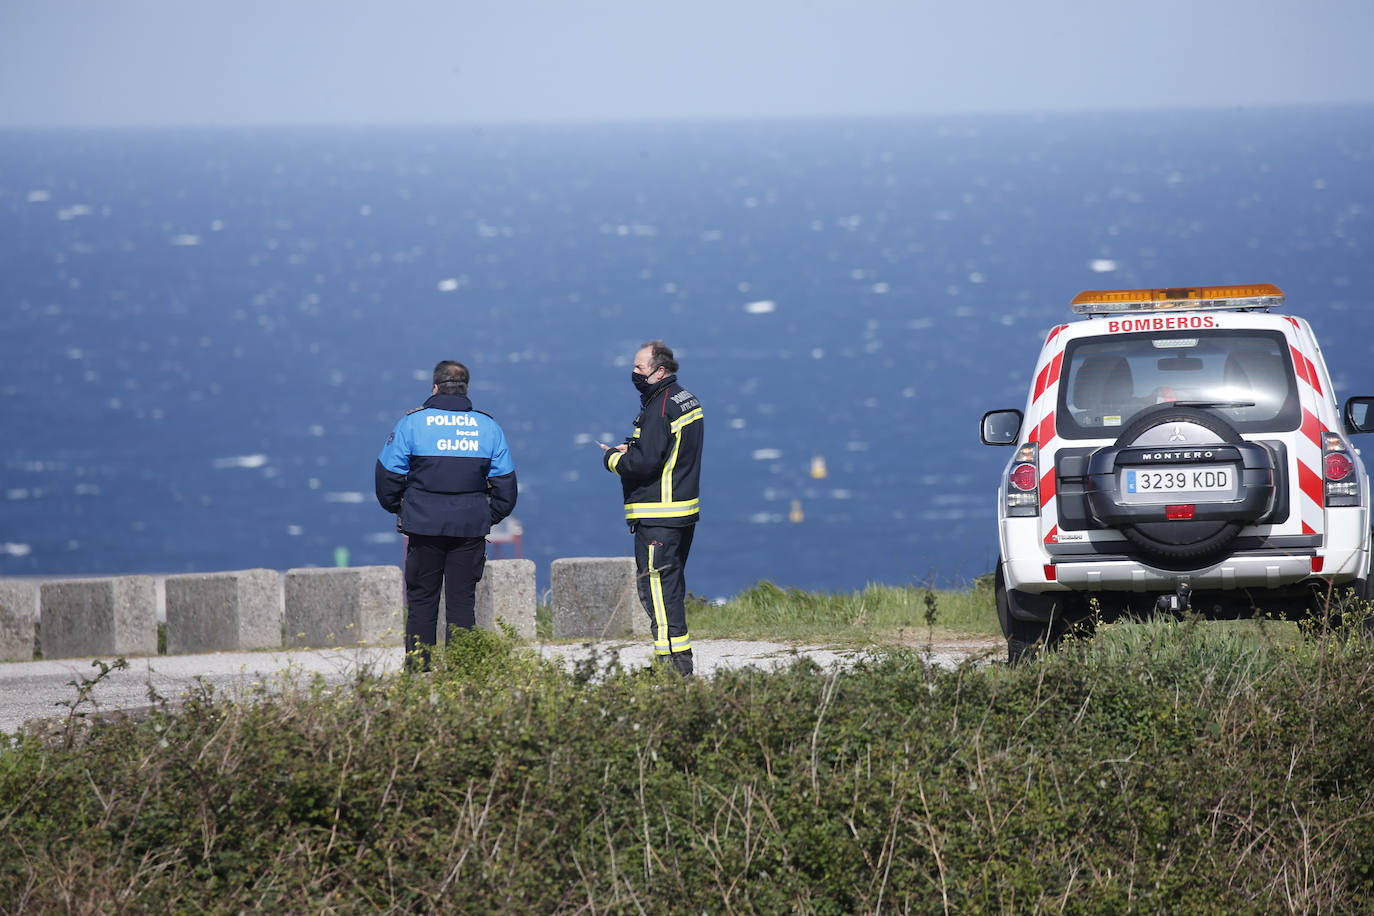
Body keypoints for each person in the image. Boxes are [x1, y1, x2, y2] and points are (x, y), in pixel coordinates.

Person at [376, 360, 517, 669]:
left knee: (422, 602)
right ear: (466, 388)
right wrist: (484, 514)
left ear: (435, 387)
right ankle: (462, 674)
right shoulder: (488, 426)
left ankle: (418, 672)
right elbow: (506, 490)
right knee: (462, 604)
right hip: (469, 528)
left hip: (424, 527)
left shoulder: (411, 424)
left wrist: (402, 508)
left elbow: (387, 479)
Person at [600, 340, 704, 675]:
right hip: (682, 512)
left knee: (655, 589)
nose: (634, 372)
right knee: (671, 588)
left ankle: (670, 665)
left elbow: (645, 464)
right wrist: (634, 445)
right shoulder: (684, 398)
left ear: (659, 371)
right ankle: (680, 659)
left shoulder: (660, 407)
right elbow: (665, 448)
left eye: (639, 367)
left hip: (659, 513)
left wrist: (613, 459)